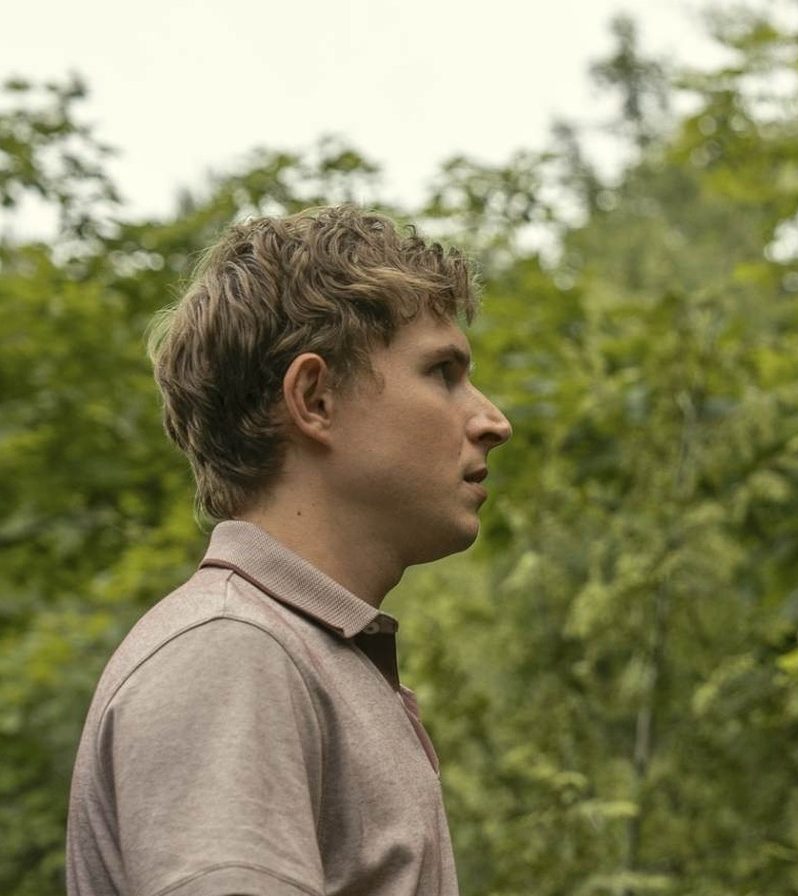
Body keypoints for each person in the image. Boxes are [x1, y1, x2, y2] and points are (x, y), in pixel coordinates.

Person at [66, 206, 512, 896]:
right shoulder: (231, 653)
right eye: (442, 372)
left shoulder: (295, 652)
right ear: (315, 398)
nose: (492, 421)